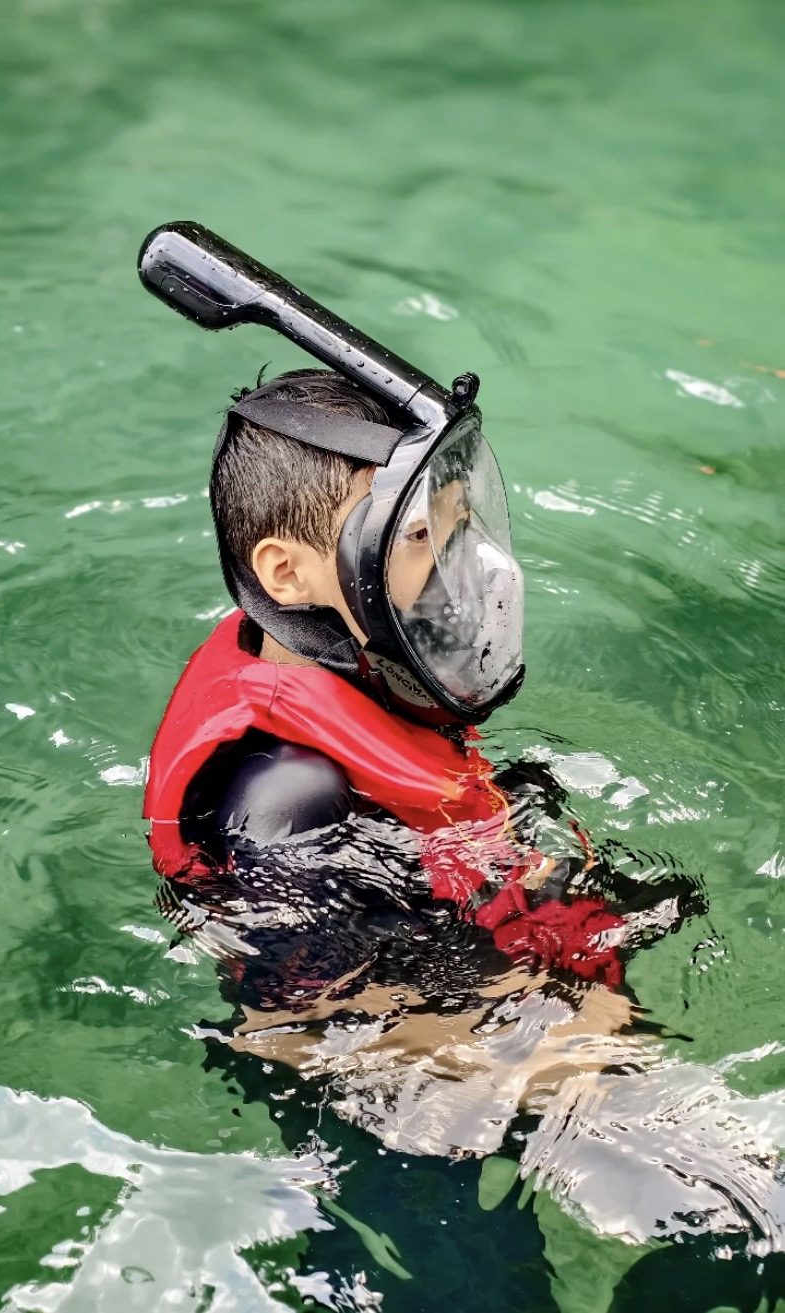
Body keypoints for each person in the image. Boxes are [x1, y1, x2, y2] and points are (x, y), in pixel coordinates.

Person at [136, 224, 785, 1266]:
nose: (460, 574)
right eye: (417, 544)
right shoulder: (282, 795)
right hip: (402, 1141)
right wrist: (570, 1059)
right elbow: (316, 1038)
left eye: (454, 527)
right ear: (292, 571)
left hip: (473, 985)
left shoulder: (357, 683)